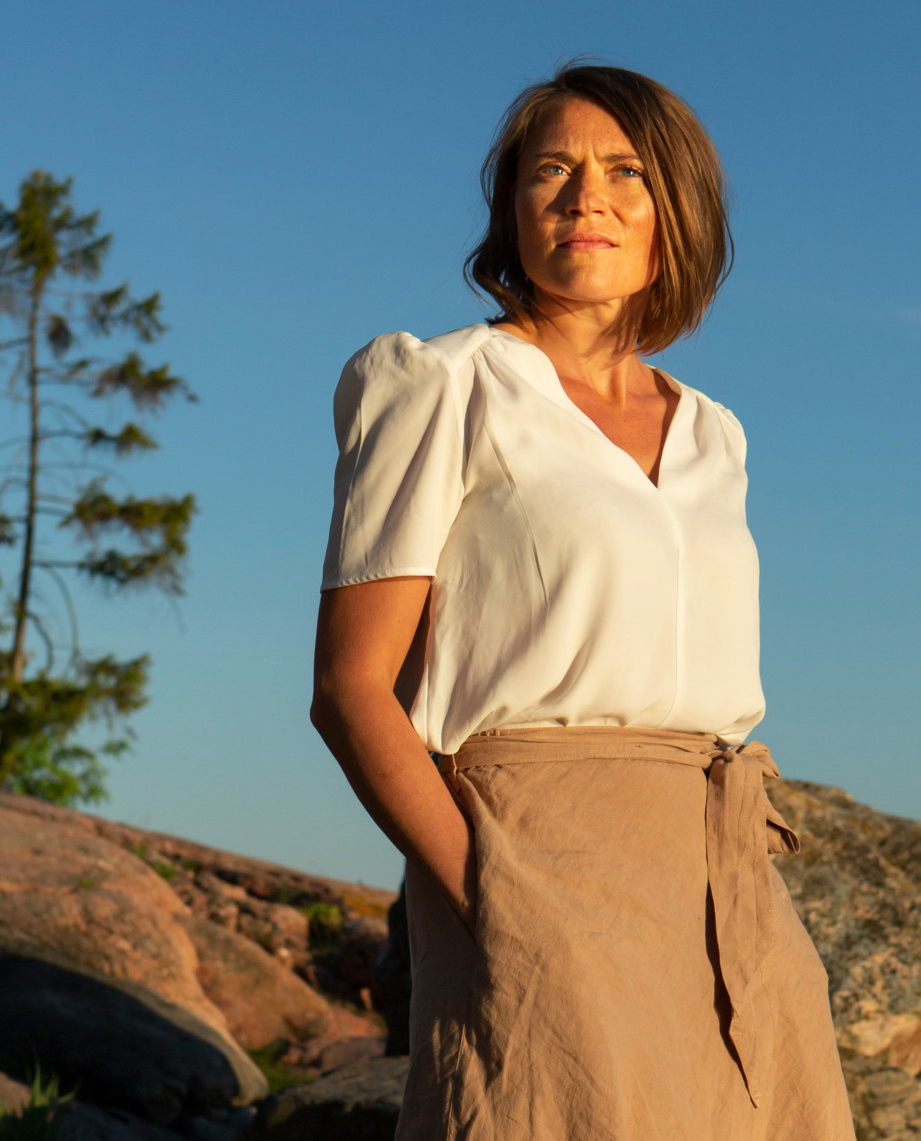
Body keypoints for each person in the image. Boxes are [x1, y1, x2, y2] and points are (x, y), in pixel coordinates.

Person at [310, 63, 856, 1141]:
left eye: (624, 171)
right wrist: (490, 892)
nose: (583, 195)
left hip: (726, 875)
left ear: (676, 211)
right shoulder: (442, 385)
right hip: (533, 854)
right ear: (511, 209)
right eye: (550, 169)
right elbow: (350, 687)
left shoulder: (717, 434)